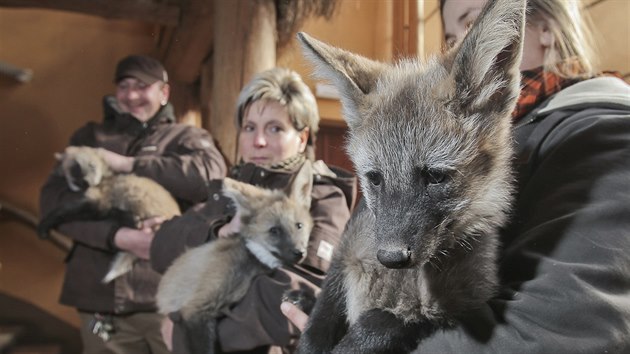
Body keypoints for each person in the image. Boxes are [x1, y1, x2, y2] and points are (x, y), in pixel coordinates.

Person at [282, 0, 630, 352]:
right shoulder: (428, 126)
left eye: (472, 23)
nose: (457, 51)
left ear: (543, 27)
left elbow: (562, 330)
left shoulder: (606, 133)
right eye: (450, 37)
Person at [150, 67, 357, 353]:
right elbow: (161, 244)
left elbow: (292, 293)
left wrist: (185, 326)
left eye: (275, 128)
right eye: (249, 128)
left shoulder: (321, 196)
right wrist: (221, 230)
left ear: (302, 137)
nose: (258, 141)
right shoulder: (235, 189)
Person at [39, 55, 228, 354]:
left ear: (164, 93)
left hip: (167, 299)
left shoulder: (187, 137)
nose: (131, 95)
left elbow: (210, 176)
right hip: (101, 300)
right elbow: (53, 202)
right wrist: (117, 236)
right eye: (124, 86)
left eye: (142, 86)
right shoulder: (90, 137)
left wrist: (129, 164)